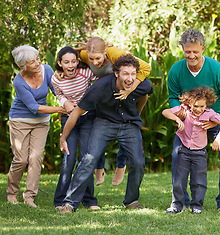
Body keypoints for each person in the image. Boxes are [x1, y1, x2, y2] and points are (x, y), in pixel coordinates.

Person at [58, 54, 153, 213]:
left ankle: (131, 201)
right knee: (89, 158)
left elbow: (145, 94)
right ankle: (70, 203)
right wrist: (63, 137)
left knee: (138, 161)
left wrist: (137, 113)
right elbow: (76, 113)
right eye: (125, 74)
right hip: (104, 123)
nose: (129, 78)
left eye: (132, 74)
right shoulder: (99, 88)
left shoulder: (142, 84)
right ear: (116, 73)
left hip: (129, 124)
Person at [167, 29, 220, 214]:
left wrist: (217, 118)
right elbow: (173, 98)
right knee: (177, 156)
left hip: (216, 119)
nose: (191, 55)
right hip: (189, 122)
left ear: (203, 49)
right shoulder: (176, 70)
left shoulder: (215, 68)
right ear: (182, 49)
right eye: (187, 51)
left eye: (195, 52)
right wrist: (180, 114)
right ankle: (181, 202)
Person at [74, 37, 152, 186]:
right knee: (99, 128)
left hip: (126, 88)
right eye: (92, 59)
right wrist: (61, 73)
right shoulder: (85, 55)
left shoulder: (115, 54)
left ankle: (121, 166)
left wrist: (129, 90)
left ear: (105, 52)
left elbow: (146, 68)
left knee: (129, 125)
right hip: (106, 92)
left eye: (98, 58)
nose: (95, 62)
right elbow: (71, 60)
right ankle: (99, 168)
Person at [7, 45, 67, 208]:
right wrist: (60, 109)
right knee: (21, 159)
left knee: (35, 158)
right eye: (32, 62)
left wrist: (67, 100)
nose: (37, 63)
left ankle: (29, 197)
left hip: (41, 122)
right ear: (22, 66)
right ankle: (12, 193)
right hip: (20, 120)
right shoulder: (19, 82)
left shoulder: (46, 69)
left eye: (37, 59)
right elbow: (34, 107)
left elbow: (56, 91)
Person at [162, 87, 220, 214]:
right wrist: (177, 119)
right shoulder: (184, 110)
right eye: (195, 106)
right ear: (189, 103)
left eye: (202, 106)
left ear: (207, 104)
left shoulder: (209, 113)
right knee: (179, 180)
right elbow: (165, 112)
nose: (198, 109)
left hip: (199, 153)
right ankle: (176, 206)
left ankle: (196, 206)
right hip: (184, 151)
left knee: (199, 181)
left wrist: (218, 139)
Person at [52, 46, 100, 210]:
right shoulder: (56, 79)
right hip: (68, 118)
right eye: (66, 62)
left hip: (87, 118)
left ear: (78, 61)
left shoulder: (86, 73)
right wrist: (64, 102)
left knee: (86, 158)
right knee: (69, 158)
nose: (70, 65)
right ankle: (60, 199)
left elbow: (100, 77)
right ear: (60, 63)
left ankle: (89, 200)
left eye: (73, 61)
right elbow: (58, 94)